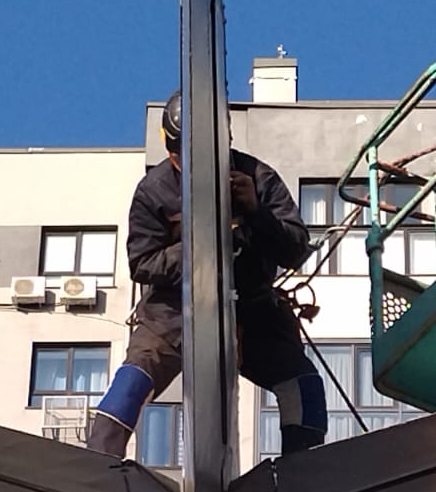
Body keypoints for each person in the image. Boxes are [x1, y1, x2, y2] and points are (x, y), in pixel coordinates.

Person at [85, 90, 328, 459]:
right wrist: (201, 243)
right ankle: (97, 466)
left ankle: (303, 476)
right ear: (172, 150)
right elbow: (143, 263)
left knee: (304, 386)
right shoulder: (154, 191)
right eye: (183, 157)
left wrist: (256, 211)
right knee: (133, 380)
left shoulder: (258, 178)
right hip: (173, 314)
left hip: (252, 311)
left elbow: (295, 249)